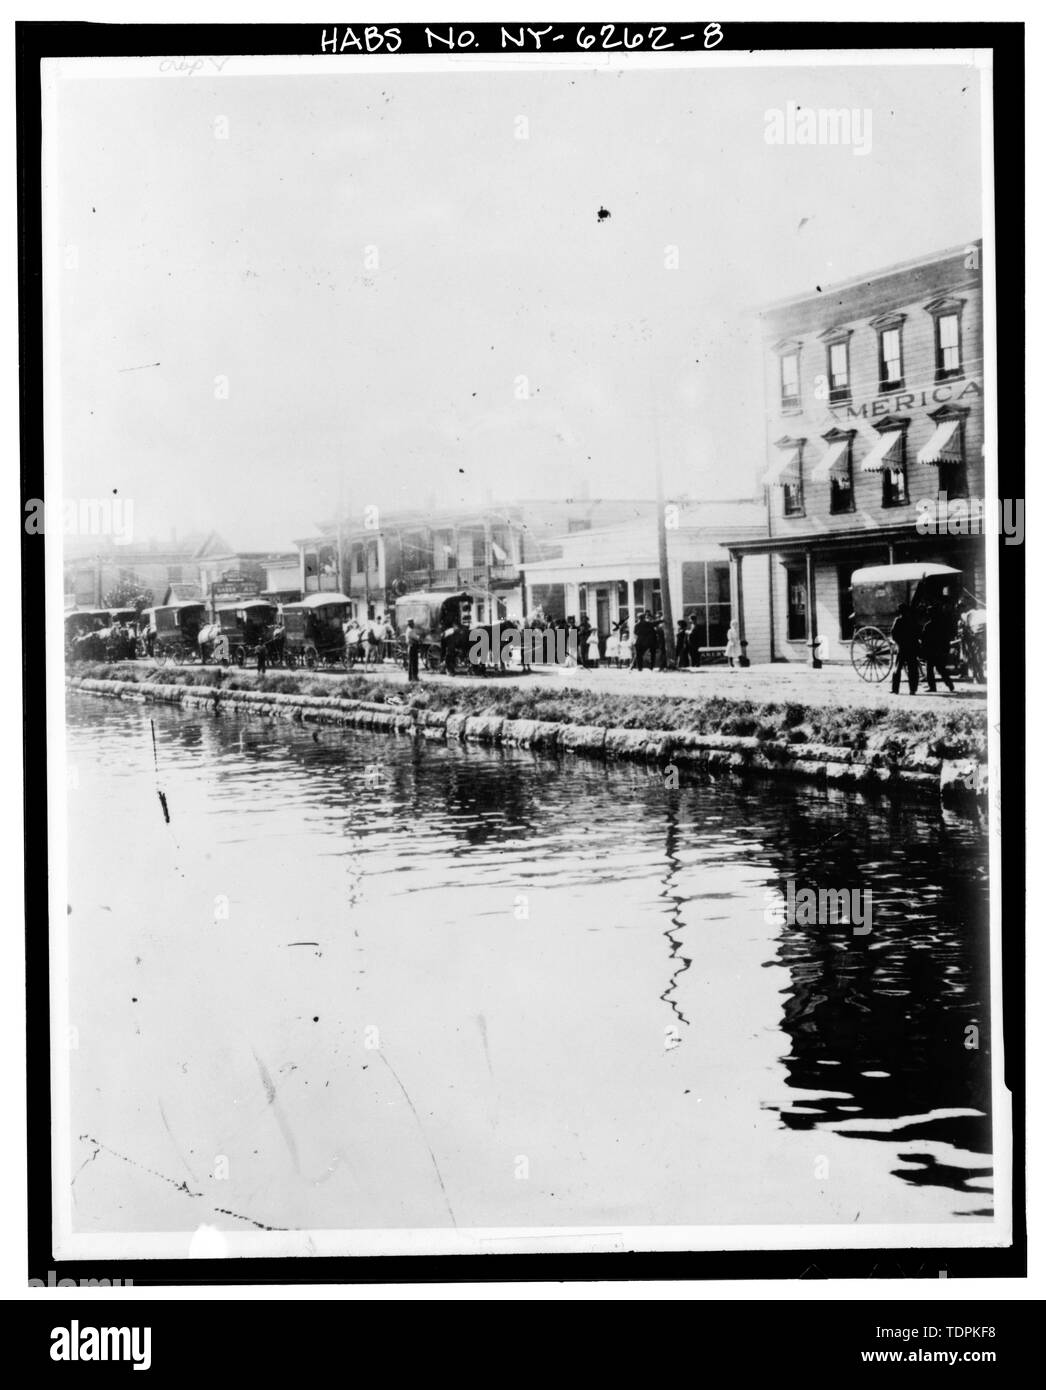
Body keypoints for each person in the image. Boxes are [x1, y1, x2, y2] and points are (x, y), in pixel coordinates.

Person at [921, 600, 956, 693]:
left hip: (931, 651)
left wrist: (923, 650)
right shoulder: (941, 625)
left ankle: (932, 687)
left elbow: (924, 639)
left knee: (929, 670)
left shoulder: (928, 626)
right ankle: (950, 685)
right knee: (941, 669)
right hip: (940, 651)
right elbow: (946, 638)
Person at [890, 602, 921, 695]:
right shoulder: (913, 620)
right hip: (912, 647)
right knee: (913, 669)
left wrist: (899, 642)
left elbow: (893, 634)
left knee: (897, 669)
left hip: (902, 648)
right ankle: (913, 689)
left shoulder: (898, 621)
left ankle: (895, 689)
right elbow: (918, 633)